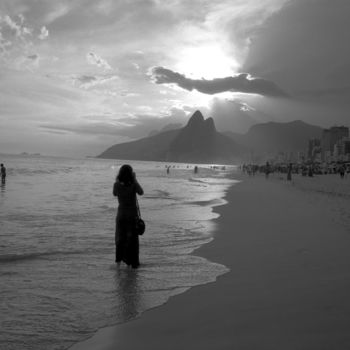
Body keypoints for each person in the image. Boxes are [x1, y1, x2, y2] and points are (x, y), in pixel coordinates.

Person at [113, 164, 144, 268]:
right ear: (131, 174)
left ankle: (118, 263)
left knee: (120, 238)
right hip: (132, 216)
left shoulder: (116, 185)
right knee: (132, 240)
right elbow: (141, 192)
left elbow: (114, 194)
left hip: (121, 215)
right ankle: (130, 263)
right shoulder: (133, 185)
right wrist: (134, 180)